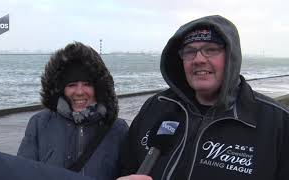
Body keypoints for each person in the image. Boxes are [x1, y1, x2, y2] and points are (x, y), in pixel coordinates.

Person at [119, 15, 289, 180]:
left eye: (211, 50)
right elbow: (124, 167)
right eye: (189, 51)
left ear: (232, 57)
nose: (198, 59)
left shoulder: (277, 123)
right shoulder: (155, 107)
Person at [17, 42, 128, 180]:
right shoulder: (39, 124)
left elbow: (127, 172)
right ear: (61, 89)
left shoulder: (118, 128)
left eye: (87, 84)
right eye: (72, 85)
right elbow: (22, 171)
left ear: (98, 87)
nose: (80, 92)